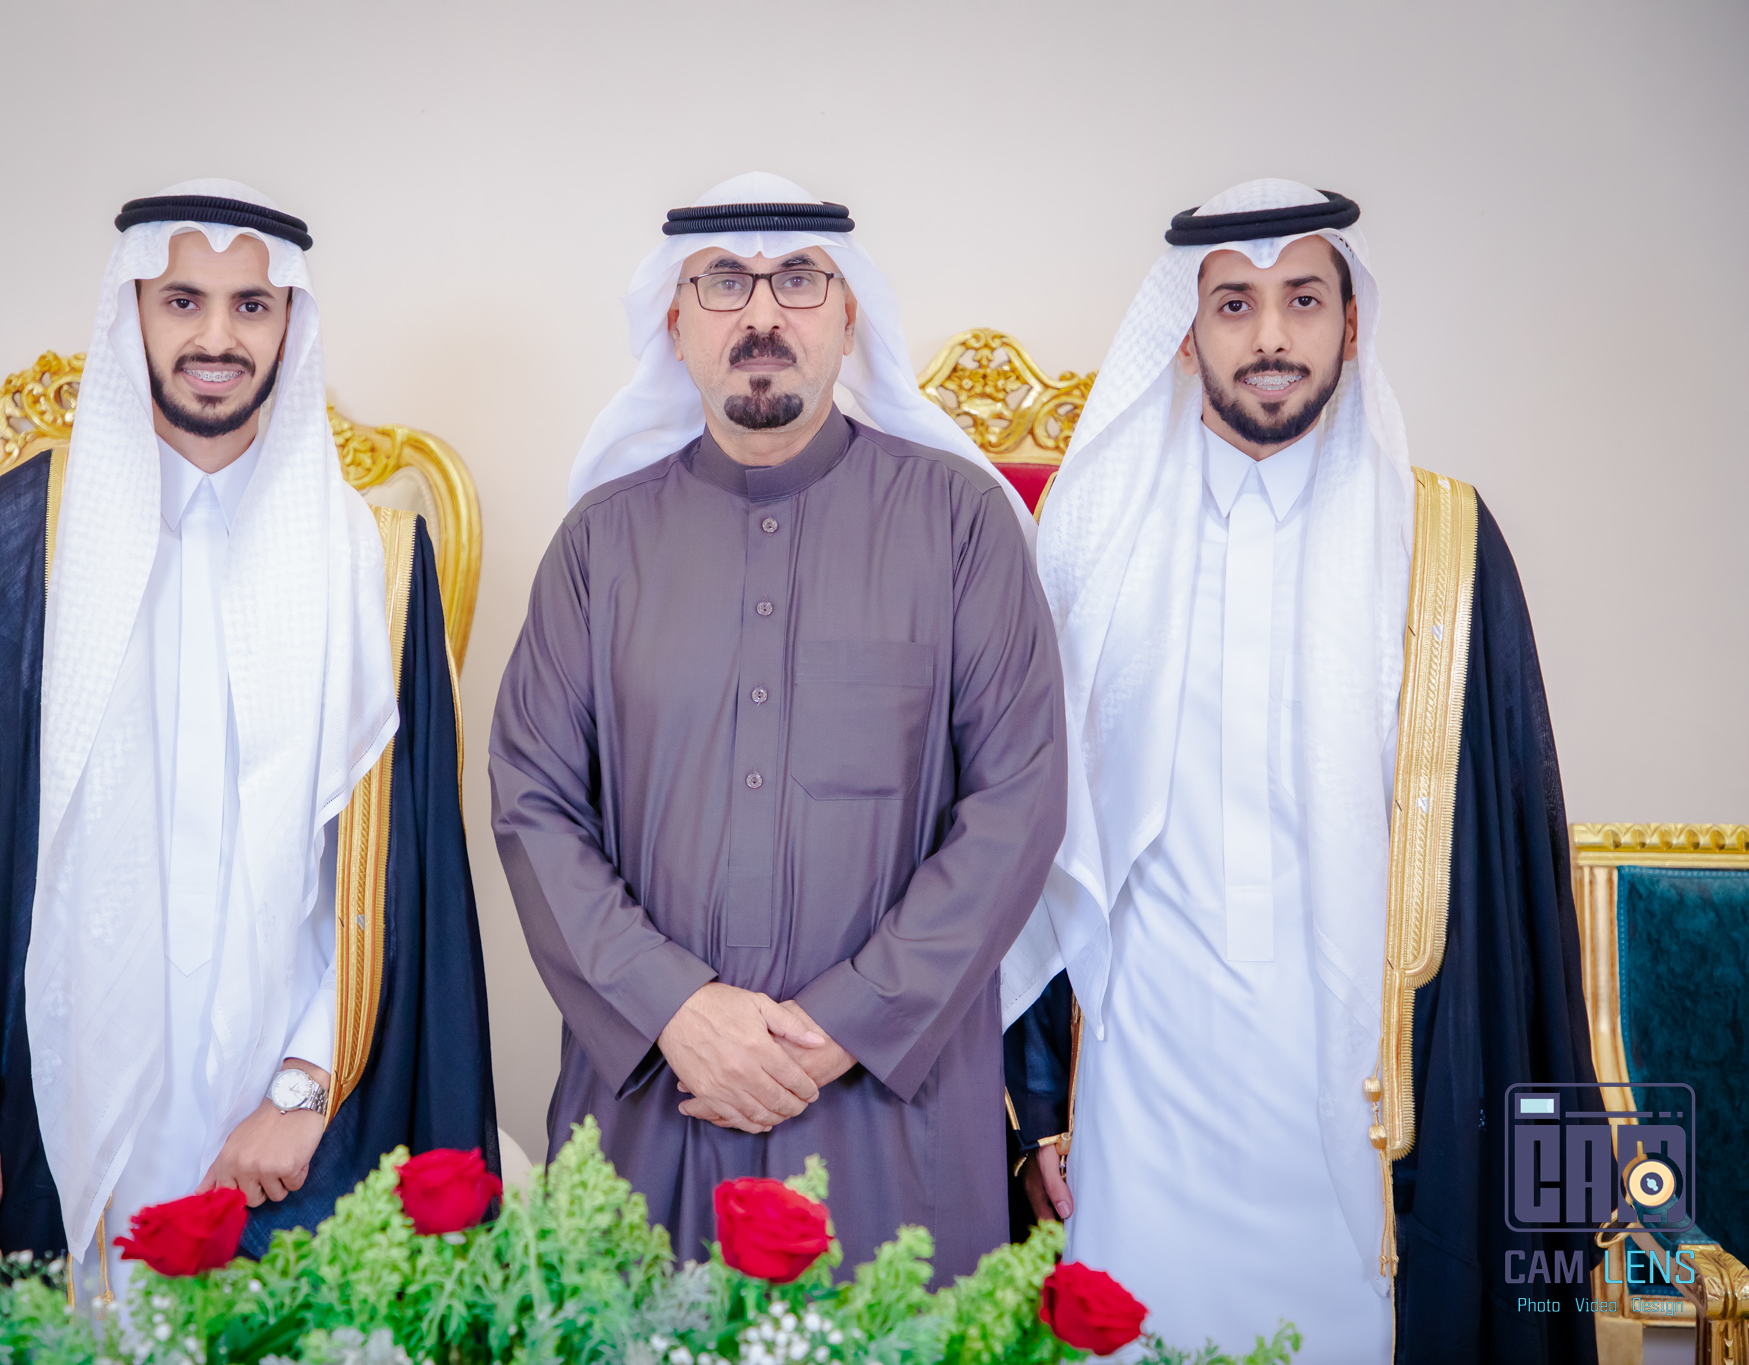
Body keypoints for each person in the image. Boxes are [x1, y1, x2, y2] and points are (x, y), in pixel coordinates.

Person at [0, 181, 497, 1300]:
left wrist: (302, 1091)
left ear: (289, 326)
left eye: (251, 306)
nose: (216, 338)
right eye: (183, 300)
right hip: (50, 1094)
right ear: (131, 311)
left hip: (292, 1124)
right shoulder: (15, 540)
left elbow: (403, 874)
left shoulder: (372, 565)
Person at [1000, 180, 1597, 1362]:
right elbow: (1026, 840)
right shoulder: (1095, 538)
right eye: (1233, 303)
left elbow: (1511, 867)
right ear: (1184, 331)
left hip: (1367, 1087)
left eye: (1302, 300)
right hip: (1147, 1080)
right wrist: (1035, 1109)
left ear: (1350, 323)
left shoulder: (1440, 546)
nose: (1268, 335)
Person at [490, 172, 1066, 1283]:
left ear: (849, 316)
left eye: (798, 280)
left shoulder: (962, 526)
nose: (762, 314)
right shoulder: (598, 546)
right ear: (676, 321)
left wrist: (843, 1025)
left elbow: (1017, 805)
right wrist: (675, 1008)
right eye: (724, 283)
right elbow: (531, 802)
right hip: (655, 1095)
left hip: (886, 1107)